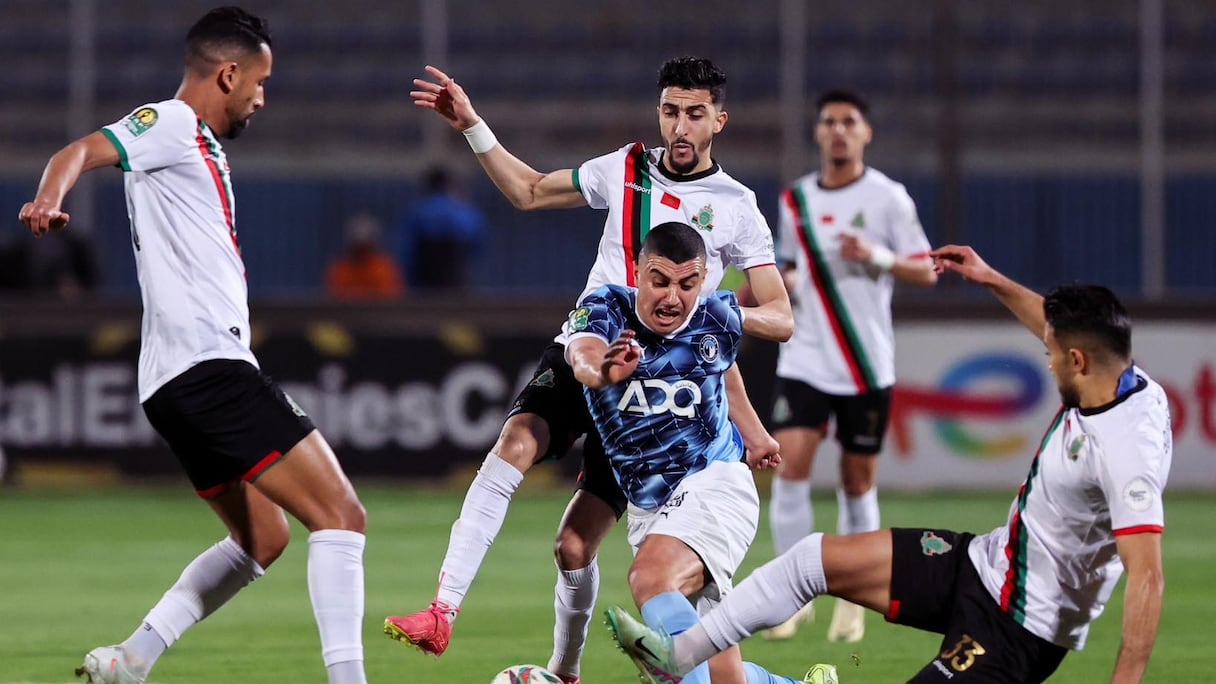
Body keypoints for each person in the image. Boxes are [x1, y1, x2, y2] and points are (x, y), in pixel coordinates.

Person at [384, 57, 793, 684]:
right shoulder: (624, 169)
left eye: (694, 114)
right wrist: (472, 127)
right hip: (593, 346)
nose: (680, 127)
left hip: (660, 394)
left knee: (580, 548)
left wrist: (709, 312)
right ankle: (445, 611)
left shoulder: (736, 206)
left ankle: (584, 669)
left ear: (719, 120)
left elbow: (778, 317)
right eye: (670, 111)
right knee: (517, 442)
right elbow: (528, 191)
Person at [608, 244, 1170, 684]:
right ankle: (680, 655)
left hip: (1020, 627)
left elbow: (1147, 578)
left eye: (1052, 356)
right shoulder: (1114, 373)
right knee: (810, 561)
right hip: (983, 565)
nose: (1047, 364)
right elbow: (1054, 326)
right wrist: (990, 279)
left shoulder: (1127, 451)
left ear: (1079, 360)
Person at [18, 8, 371, 684]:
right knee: (342, 516)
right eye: (260, 83)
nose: (261, 98)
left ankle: (131, 659)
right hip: (208, 367)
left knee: (263, 537)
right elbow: (78, 151)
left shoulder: (192, 142)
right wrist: (46, 199)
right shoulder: (173, 124)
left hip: (172, 383)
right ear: (229, 74)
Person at [570, 222, 804, 684]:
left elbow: (734, 360)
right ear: (638, 271)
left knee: (650, 577)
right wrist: (603, 370)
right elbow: (582, 355)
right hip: (651, 508)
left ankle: (670, 662)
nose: (673, 298)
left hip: (715, 482)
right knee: (721, 676)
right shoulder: (605, 308)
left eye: (688, 284)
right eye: (660, 281)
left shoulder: (714, 315)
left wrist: (755, 435)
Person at [763, 88, 937, 643]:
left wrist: (877, 256)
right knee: (790, 468)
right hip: (805, 356)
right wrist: (787, 280)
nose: (838, 130)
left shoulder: (888, 199)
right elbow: (786, 266)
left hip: (864, 363)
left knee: (857, 481)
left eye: (849, 121)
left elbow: (927, 269)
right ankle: (790, 597)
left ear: (866, 133)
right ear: (818, 133)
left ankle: (853, 598)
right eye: (829, 122)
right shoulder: (795, 200)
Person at [396, 165, 486, 292]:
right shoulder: (464, 211)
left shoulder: (418, 211)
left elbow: (409, 249)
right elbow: (478, 241)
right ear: (449, 185)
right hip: (457, 278)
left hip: (425, 279)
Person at [325, 212, 406, 300]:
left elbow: (390, 298)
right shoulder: (340, 271)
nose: (361, 253)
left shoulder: (384, 269)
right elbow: (333, 298)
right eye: (357, 247)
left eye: (365, 247)